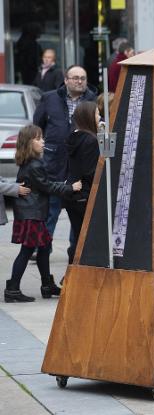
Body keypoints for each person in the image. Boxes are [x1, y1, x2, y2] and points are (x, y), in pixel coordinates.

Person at [5, 125, 81, 303]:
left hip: (32, 213)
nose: (43, 141)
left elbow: (44, 183)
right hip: (32, 214)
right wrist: (71, 187)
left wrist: (62, 184)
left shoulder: (30, 163)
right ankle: (12, 288)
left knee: (45, 248)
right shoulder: (35, 165)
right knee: (27, 250)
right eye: (38, 139)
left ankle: (47, 285)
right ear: (29, 143)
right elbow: (47, 186)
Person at [33, 65, 97, 245]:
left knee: (78, 212)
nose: (79, 81)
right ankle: (43, 248)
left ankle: (75, 250)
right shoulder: (50, 98)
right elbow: (38, 126)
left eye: (83, 78)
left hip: (80, 167)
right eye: (75, 77)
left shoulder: (92, 100)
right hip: (53, 164)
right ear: (66, 80)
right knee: (51, 210)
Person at [64, 101, 100, 265]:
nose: (99, 117)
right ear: (88, 117)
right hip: (85, 195)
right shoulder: (90, 140)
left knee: (78, 236)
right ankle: (74, 275)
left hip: (73, 195)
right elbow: (90, 172)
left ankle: (71, 275)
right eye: (97, 114)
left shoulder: (74, 137)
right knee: (85, 240)